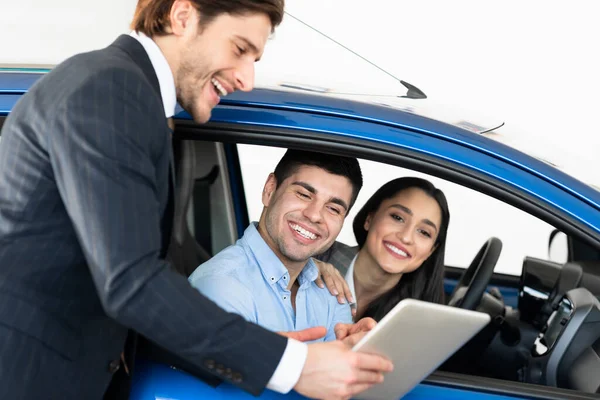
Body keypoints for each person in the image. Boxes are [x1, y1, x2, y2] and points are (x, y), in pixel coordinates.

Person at [0, 1, 392, 399]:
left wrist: (264, 346)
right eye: (239, 49)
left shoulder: (130, 95)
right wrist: (292, 365)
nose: (247, 78)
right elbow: (132, 282)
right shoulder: (111, 92)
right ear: (182, 15)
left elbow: (120, 297)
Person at [189, 149, 377, 341]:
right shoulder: (222, 285)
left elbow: (341, 368)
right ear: (270, 190)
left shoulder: (331, 292)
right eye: (304, 194)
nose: (314, 215)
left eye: (333, 208)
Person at [316, 177, 450, 321]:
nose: (406, 237)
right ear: (369, 218)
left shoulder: (421, 318)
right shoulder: (312, 259)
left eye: (424, 232)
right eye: (397, 217)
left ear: (431, 251)